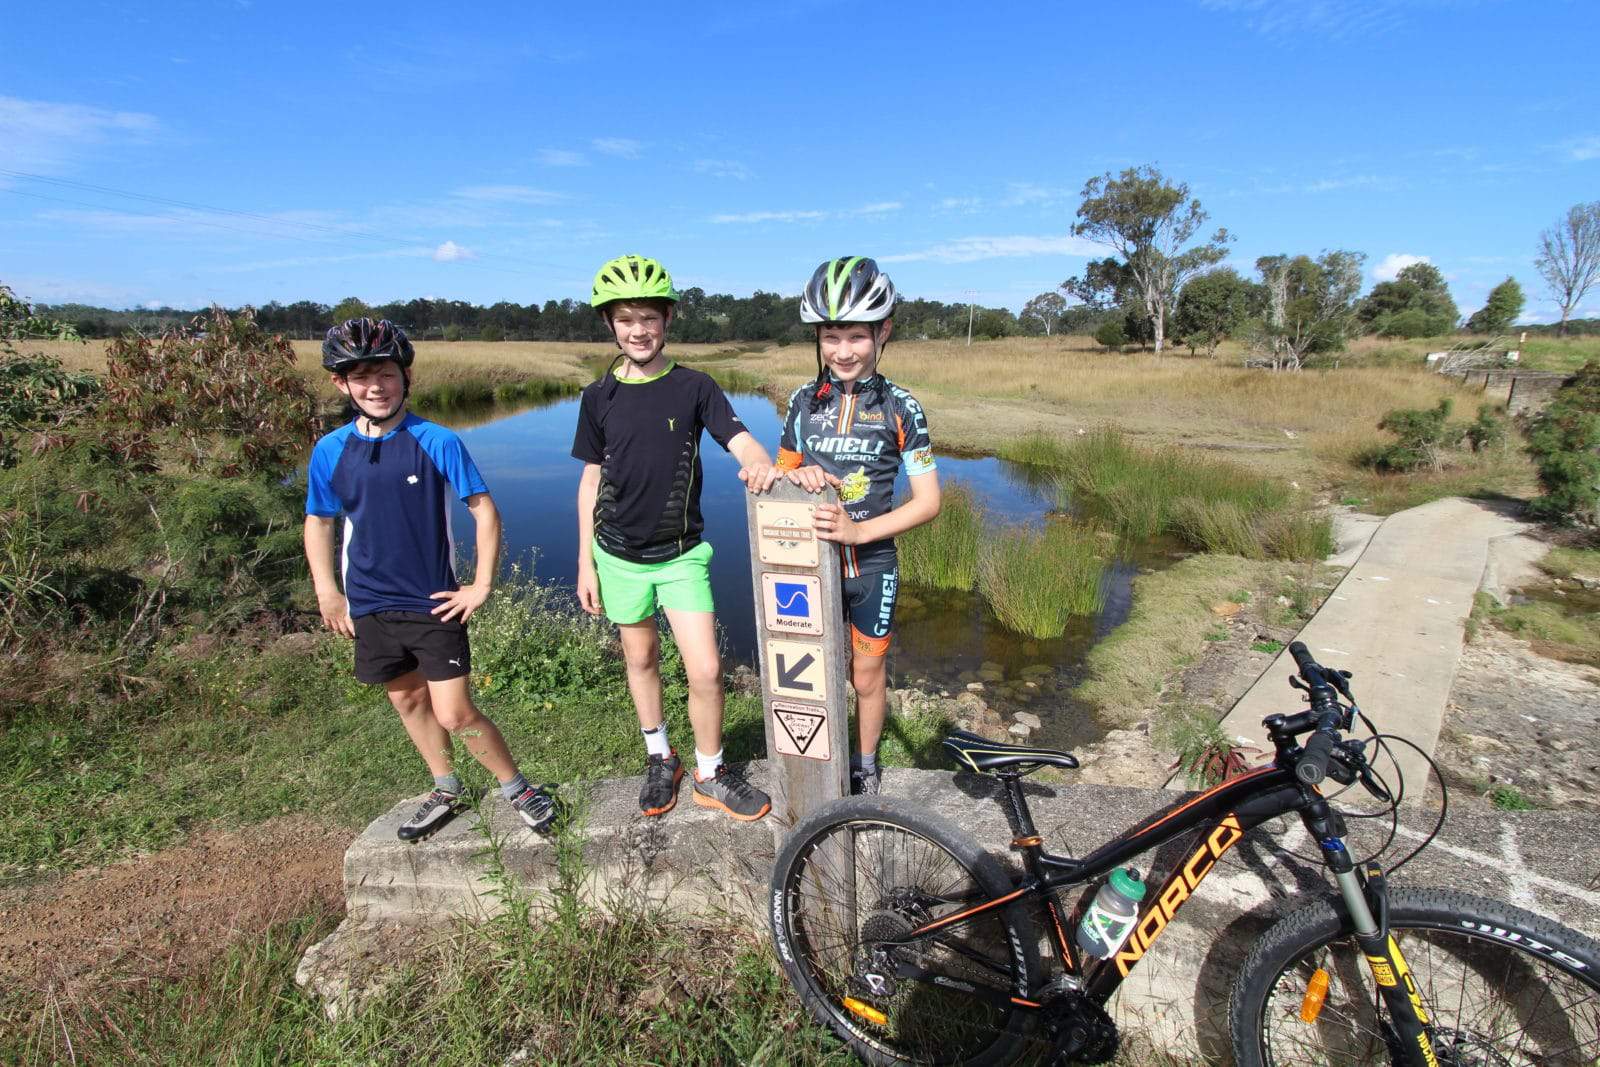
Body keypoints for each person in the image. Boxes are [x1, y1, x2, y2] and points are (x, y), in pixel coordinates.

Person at [304, 317, 557, 841]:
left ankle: (516, 787)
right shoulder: (330, 450)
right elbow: (319, 520)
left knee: (455, 710)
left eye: (385, 373)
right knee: (407, 700)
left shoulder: (435, 440)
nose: (375, 386)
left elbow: (484, 511)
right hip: (369, 604)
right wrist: (329, 591)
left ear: (406, 375)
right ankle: (446, 787)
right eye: (359, 376)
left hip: (432, 603)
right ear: (341, 384)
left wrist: (481, 584)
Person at [572, 255, 780, 821]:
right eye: (624, 319)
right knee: (640, 660)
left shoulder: (695, 387)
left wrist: (760, 465)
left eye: (648, 318)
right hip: (615, 555)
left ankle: (710, 770)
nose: (637, 330)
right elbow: (591, 478)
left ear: (666, 320)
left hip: (682, 555)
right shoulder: (598, 397)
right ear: (610, 325)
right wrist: (587, 563)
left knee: (707, 669)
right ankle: (660, 756)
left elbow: (739, 439)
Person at [776, 257, 941, 795]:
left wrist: (859, 533)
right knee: (807, 672)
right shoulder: (801, 403)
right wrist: (781, 477)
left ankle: (865, 766)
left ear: (882, 332)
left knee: (865, 676)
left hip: (871, 565)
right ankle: (810, 768)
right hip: (806, 567)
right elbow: (782, 479)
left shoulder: (902, 406)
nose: (843, 350)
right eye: (830, 336)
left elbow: (928, 502)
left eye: (856, 336)